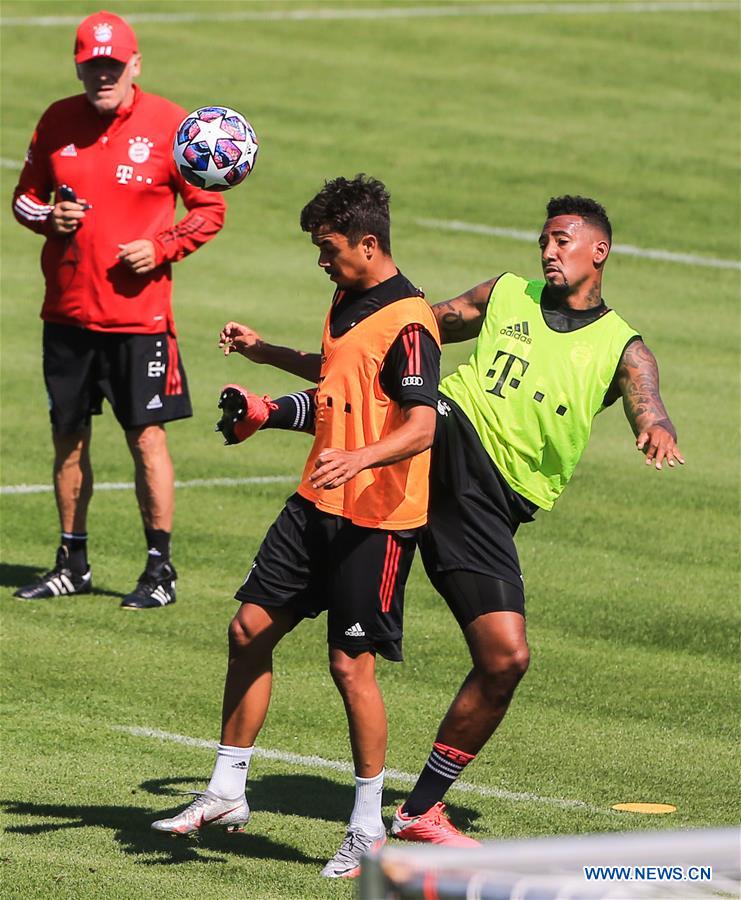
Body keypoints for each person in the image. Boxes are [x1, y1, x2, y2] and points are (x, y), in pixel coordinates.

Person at [195, 195, 684, 846]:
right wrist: (275, 359)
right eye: (543, 240)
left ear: (598, 250)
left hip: (492, 503)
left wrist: (655, 428)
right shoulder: (505, 294)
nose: (548, 250)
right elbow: (383, 356)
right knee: (269, 624)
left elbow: (647, 404)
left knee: (505, 659)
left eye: (562, 240)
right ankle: (228, 781)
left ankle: (420, 808)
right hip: (449, 442)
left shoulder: (624, 348)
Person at [150, 175, 441, 878]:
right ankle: (225, 791)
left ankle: (368, 829)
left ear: (368, 245)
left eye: (329, 249)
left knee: (350, 667)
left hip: (376, 520)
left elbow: (421, 423)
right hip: (316, 502)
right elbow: (340, 379)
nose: (321, 261)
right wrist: (266, 364)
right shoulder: (347, 298)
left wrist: (362, 456)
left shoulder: (409, 321)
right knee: (248, 629)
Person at [11, 11, 226, 609]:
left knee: (146, 439)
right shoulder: (57, 120)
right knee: (67, 439)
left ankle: (160, 571)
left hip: (140, 319)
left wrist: (161, 247)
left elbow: (208, 209)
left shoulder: (169, 124)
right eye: (91, 65)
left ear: (134, 64)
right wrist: (46, 218)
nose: (101, 75)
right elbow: (25, 199)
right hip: (67, 314)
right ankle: (71, 562)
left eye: (112, 64)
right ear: (79, 66)